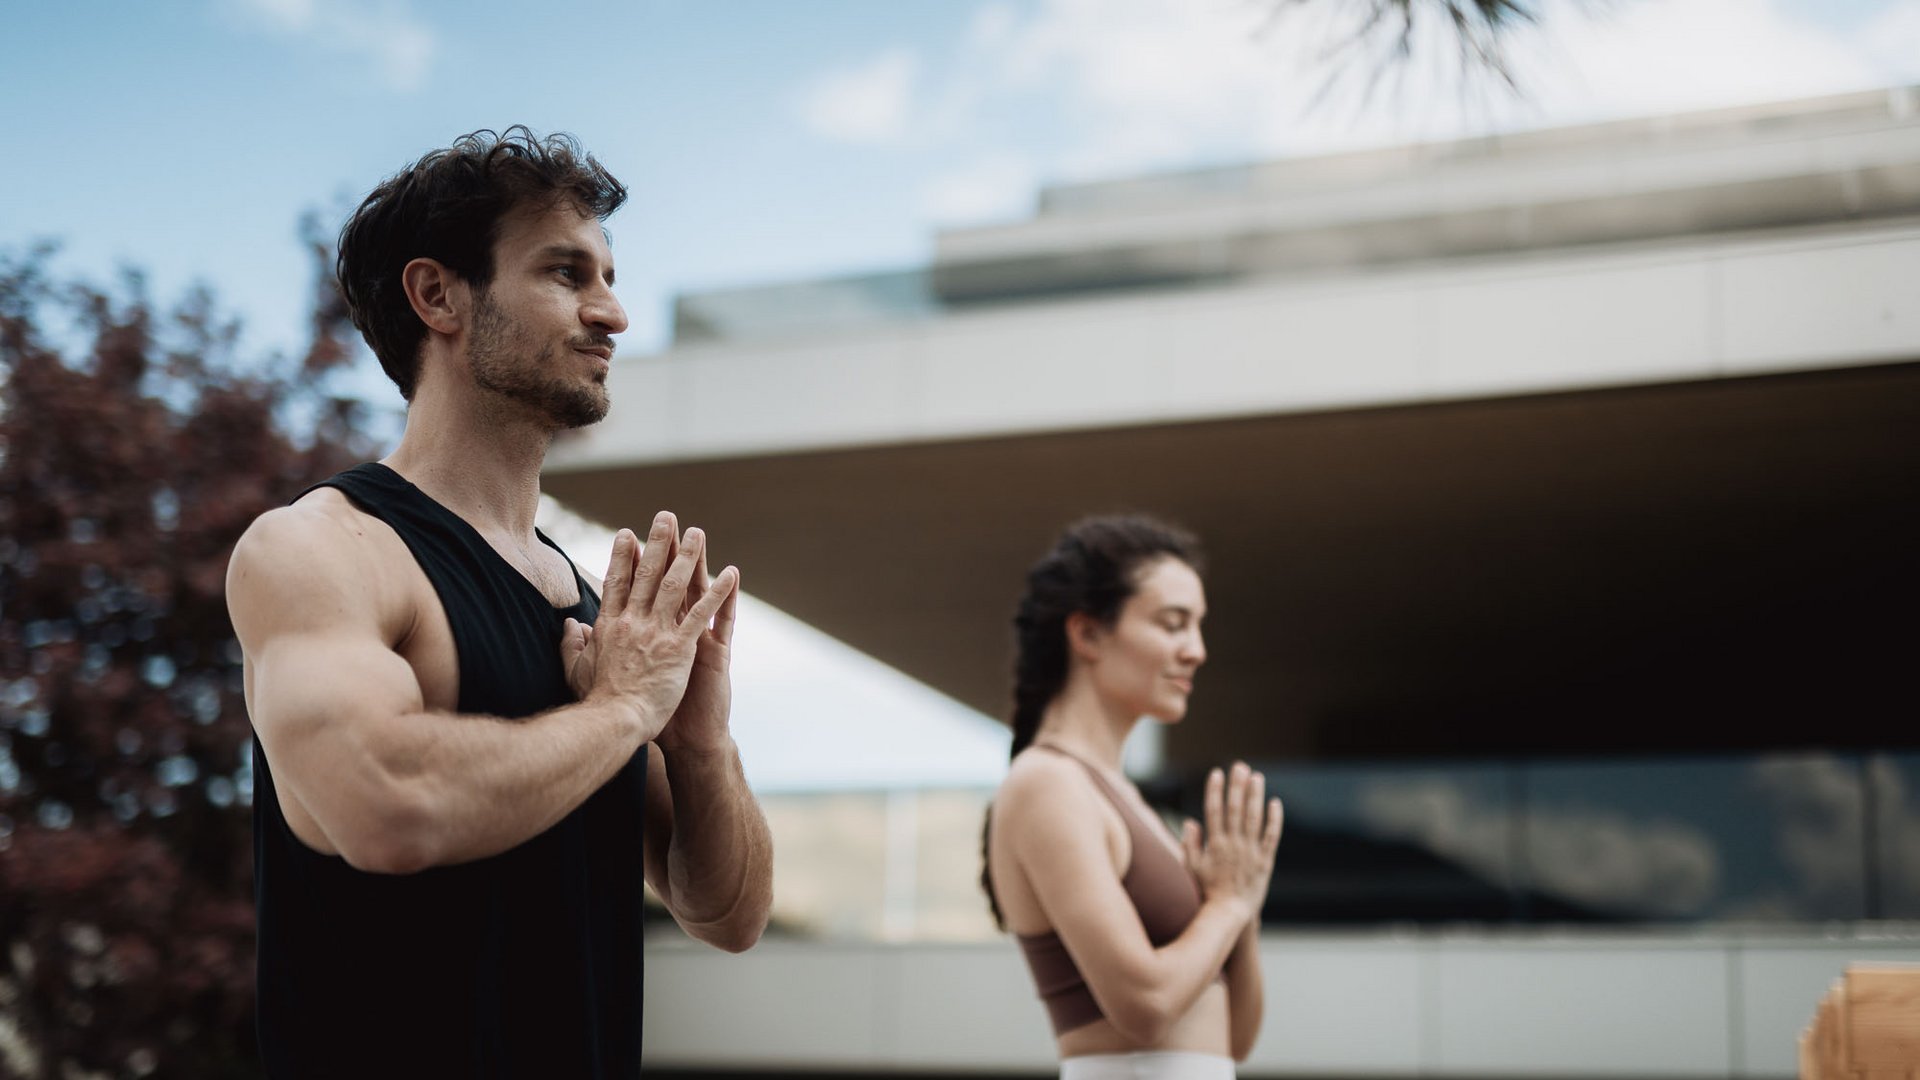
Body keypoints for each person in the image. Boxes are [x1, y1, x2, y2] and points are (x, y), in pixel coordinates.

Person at [224, 128, 773, 1078]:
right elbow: (390, 806)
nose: (613, 314)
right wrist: (620, 710)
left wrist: (695, 742)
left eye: (609, 275)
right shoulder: (324, 548)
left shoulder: (598, 613)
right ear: (438, 295)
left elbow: (728, 914)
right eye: (567, 273)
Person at [982, 515, 1283, 1079]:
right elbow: (1143, 1008)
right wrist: (1228, 905)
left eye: (1198, 626)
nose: (1196, 651)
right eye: (1173, 624)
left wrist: (1240, 909)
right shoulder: (1047, 782)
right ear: (1089, 634)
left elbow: (1235, 1039)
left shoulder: (1123, 798)